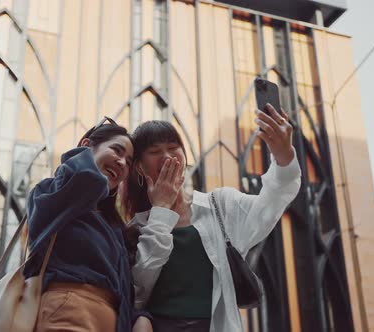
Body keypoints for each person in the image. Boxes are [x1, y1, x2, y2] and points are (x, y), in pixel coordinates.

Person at [123, 104, 301, 331]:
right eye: (155, 152)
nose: (167, 156)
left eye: (173, 147)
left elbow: (273, 201)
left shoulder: (220, 205)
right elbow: (137, 292)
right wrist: (161, 210)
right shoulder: (135, 228)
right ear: (139, 167)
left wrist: (283, 154)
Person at [23, 117, 152, 332]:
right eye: (117, 151)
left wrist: (140, 317)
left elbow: (122, 285)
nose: (122, 163)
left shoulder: (113, 225)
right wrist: (84, 158)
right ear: (85, 146)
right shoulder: (54, 191)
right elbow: (84, 178)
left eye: (128, 162)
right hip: (69, 311)